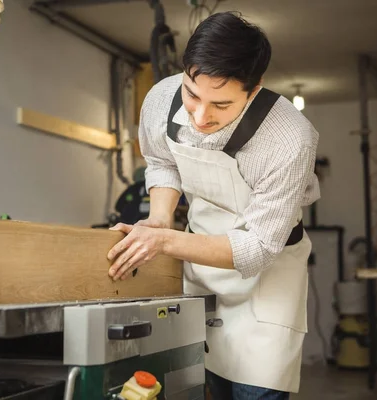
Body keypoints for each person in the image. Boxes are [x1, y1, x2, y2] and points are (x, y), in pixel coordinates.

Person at [106, 11, 320, 400]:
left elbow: (256, 249)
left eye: (221, 105)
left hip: (267, 279)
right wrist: (158, 220)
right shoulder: (161, 99)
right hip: (199, 263)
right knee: (201, 383)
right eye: (192, 94)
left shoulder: (290, 139)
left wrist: (166, 243)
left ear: (254, 91)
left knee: (257, 389)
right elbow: (162, 161)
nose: (201, 116)